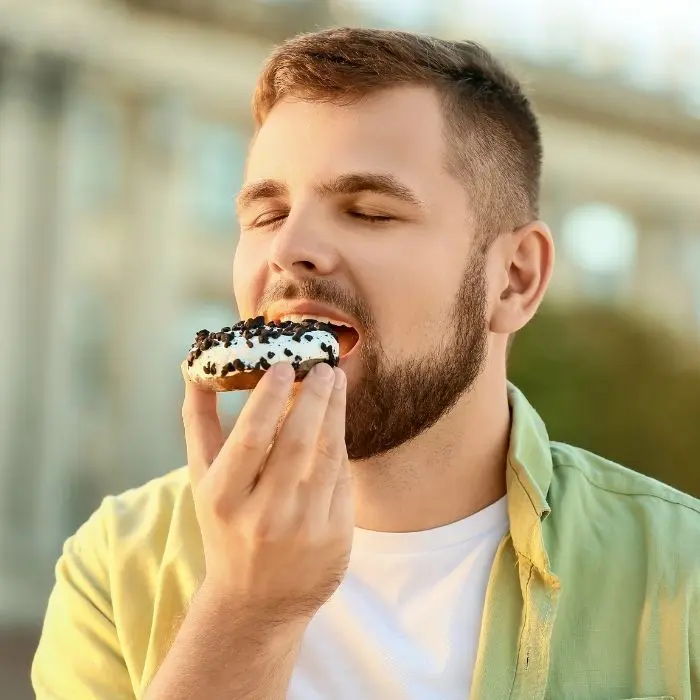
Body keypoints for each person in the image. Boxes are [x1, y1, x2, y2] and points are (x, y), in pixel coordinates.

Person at [32, 27, 699, 700]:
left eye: (370, 212)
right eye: (266, 214)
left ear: (515, 279)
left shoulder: (681, 577)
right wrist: (244, 612)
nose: (290, 249)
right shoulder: (117, 568)